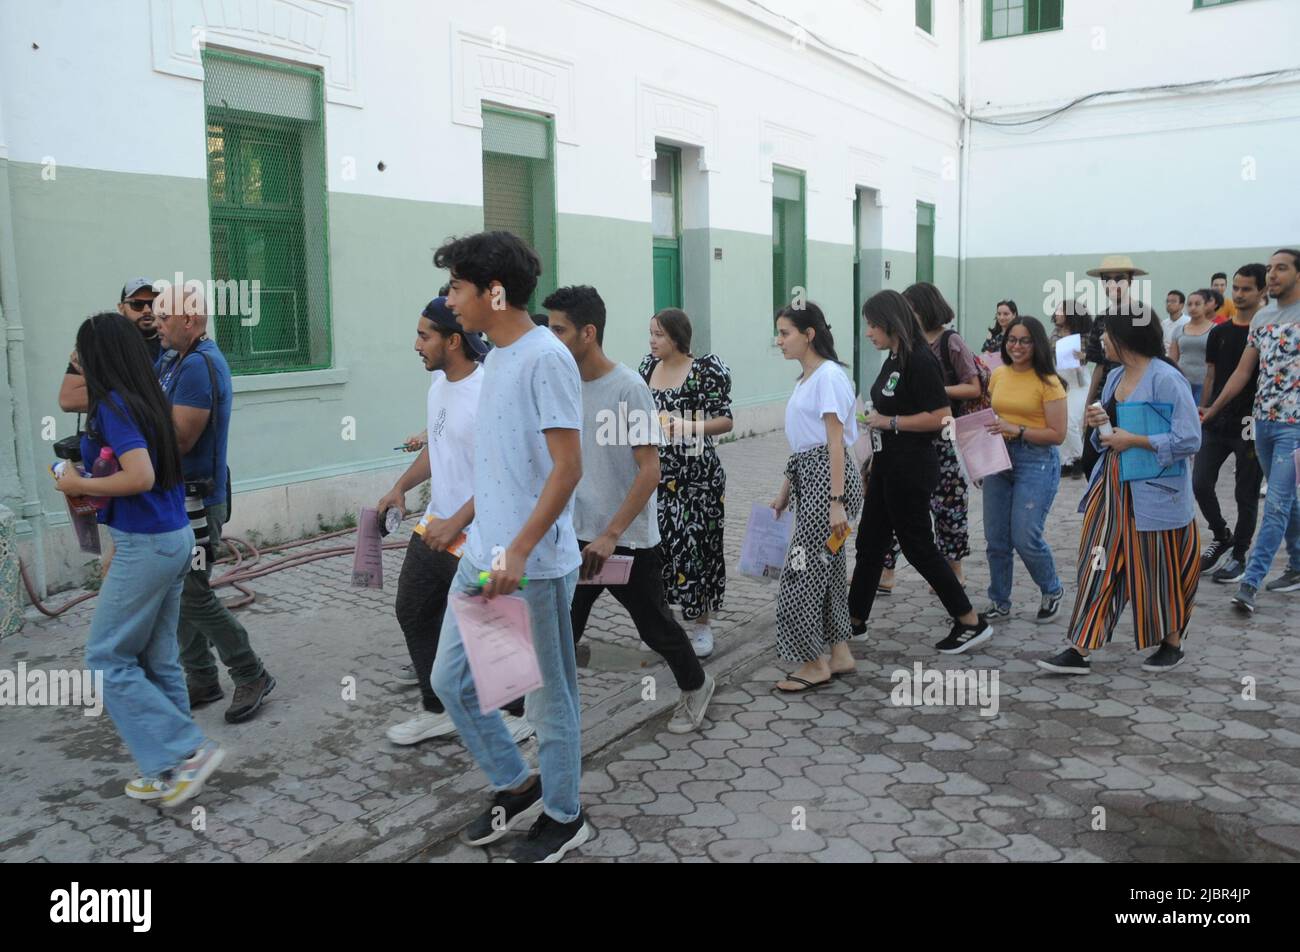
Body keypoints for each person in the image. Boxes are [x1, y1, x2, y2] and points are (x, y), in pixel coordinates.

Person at [430, 230, 590, 863]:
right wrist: (463, 520)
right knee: (454, 682)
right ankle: (515, 782)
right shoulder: (496, 357)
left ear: (494, 292)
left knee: (550, 697)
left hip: (534, 564)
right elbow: (502, 464)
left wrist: (520, 551)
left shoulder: (546, 358)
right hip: (483, 556)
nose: (450, 302)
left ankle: (565, 814)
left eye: (457, 288)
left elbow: (567, 468)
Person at [52, 312, 224, 806]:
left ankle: (187, 751)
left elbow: (140, 476)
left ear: (98, 356)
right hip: (168, 538)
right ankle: (170, 767)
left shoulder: (112, 407)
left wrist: (77, 483)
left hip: (148, 543)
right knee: (156, 658)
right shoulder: (146, 397)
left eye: (80, 352)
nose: (77, 360)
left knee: (105, 658)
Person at [545, 285, 715, 730]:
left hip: (625, 541)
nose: (549, 338)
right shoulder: (560, 384)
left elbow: (649, 472)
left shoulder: (628, 388)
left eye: (558, 329)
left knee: (654, 628)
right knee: (562, 629)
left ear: (588, 332)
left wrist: (611, 534)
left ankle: (696, 686)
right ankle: (543, 714)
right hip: (575, 536)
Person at [375, 297, 533, 746]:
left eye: (425, 335)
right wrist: (401, 487)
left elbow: (502, 467)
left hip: (482, 532)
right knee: (413, 608)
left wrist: (459, 520)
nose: (416, 344)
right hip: (436, 525)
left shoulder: (489, 391)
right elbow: (437, 449)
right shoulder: (439, 386)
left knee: (494, 626)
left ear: (453, 340)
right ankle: (438, 709)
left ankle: (516, 713)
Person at [1038, 309, 1201, 675]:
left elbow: (1190, 438)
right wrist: (1102, 427)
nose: (1102, 342)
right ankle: (1080, 647)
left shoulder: (1167, 379)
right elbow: (1109, 437)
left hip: (1155, 490)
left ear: (1127, 338)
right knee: (1097, 560)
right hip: (1112, 485)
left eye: (1108, 335)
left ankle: (1171, 643)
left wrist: (1137, 440)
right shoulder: (1114, 378)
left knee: (1157, 565)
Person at [153, 286, 275, 722]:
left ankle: (251, 672)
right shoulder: (173, 359)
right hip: (177, 499)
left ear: (193, 321)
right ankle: (202, 678)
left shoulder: (200, 366)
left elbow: (181, 438)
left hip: (199, 503)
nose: (157, 322)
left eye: (166, 316)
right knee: (182, 591)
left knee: (193, 592)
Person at [848, 290, 992, 654]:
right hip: (887, 466)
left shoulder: (919, 360)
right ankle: (854, 620)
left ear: (890, 323)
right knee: (869, 543)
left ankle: (969, 620)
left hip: (911, 467)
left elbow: (941, 416)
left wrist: (891, 421)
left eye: (872, 325)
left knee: (918, 545)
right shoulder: (894, 358)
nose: (868, 333)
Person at [769, 302, 863, 692]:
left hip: (828, 485)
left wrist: (836, 502)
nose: (779, 341)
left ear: (809, 334)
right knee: (829, 570)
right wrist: (785, 492)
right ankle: (839, 653)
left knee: (801, 572)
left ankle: (813, 662)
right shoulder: (808, 378)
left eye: (785, 332)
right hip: (814, 481)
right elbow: (803, 446)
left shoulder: (827, 377)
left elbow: (835, 444)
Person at [1200, 249, 1300, 613]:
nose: (1272, 275)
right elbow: (1243, 373)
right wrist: (1212, 410)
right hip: (1262, 423)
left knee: (1275, 502)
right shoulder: (1263, 319)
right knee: (1288, 501)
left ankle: (1251, 582)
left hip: (1295, 426)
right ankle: (1298, 565)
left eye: (1281, 268)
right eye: (1270, 268)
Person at [639, 308, 733, 657]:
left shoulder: (705, 369)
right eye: (650, 333)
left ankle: (702, 625)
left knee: (697, 548)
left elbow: (726, 420)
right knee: (661, 551)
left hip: (698, 478)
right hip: (658, 477)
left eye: (659, 334)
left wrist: (688, 426)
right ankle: (666, 626)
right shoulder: (646, 369)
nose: (652, 340)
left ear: (677, 337)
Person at [879, 282, 980, 593]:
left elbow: (973, 387)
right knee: (898, 505)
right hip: (907, 437)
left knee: (948, 504)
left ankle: (953, 570)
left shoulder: (951, 342)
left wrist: (935, 390)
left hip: (943, 437)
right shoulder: (906, 343)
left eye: (910, 308)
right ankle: (885, 572)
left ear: (923, 308)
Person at [982, 316, 1068, 622]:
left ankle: (1052, 588)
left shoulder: (1049, 382)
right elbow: (990, 417)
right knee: (995, 538)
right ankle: (999, 601)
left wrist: (1016, 428)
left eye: (1024, 341)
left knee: (1025, 535)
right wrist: (981, 460)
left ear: (1037, 344)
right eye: (1012, 340)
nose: (1016, 346)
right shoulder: (998, 374)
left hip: (1037, 460)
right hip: (999, 458)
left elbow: (1057, 434)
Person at [1194, 265, 1267, 583]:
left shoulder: (1266, 332)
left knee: (1245, 492)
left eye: (1246, 289)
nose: (1238, 294)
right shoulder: (1219, 332)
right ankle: (1221, 535)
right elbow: (1211, 374)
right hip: (1216, 419)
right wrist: (1206, 409)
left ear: (1262, 292)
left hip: (1252, 421)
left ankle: (1239, 555)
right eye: (1235, 288)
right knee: (1199, 482)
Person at [1081, 256, 1157, 480]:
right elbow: (1099, 365)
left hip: (1135, 395)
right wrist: (1088, 403)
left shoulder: (1142, 315)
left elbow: (1152, 360)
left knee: (1130, 458)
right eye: (1107, 279)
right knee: (1091, 459)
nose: (1112, 284)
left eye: (1119, 279)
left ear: (1130, 281)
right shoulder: (1102, 317)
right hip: (1105, 396)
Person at [59, 277, 165, 413]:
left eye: (153, 303)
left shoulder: (173, 340)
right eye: (137, 304)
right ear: (121, 308)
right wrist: (146, 397)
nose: (147, 310)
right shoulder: (101, 342)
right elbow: (69, 399)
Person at [1051, 300, 1091, 476]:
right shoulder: (1054, 335)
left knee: (1072, 421)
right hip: (1062, 381)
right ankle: (1066, 461)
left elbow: (1095, 355)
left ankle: (1080, 458)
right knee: (1061, 422)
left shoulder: (1084, 336)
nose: (1058, 313)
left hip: (1079, 382)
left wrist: (1084, 356)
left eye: (1062, 310)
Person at [1169, 289, 1216, 403]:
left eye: (1197, 304)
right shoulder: (1179, 330)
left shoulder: (1215, 330)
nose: (1193, 308)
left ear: (1206, 306)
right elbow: (1172, 360)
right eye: (1189, 304)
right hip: (1182, 382)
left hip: (1205, 383)